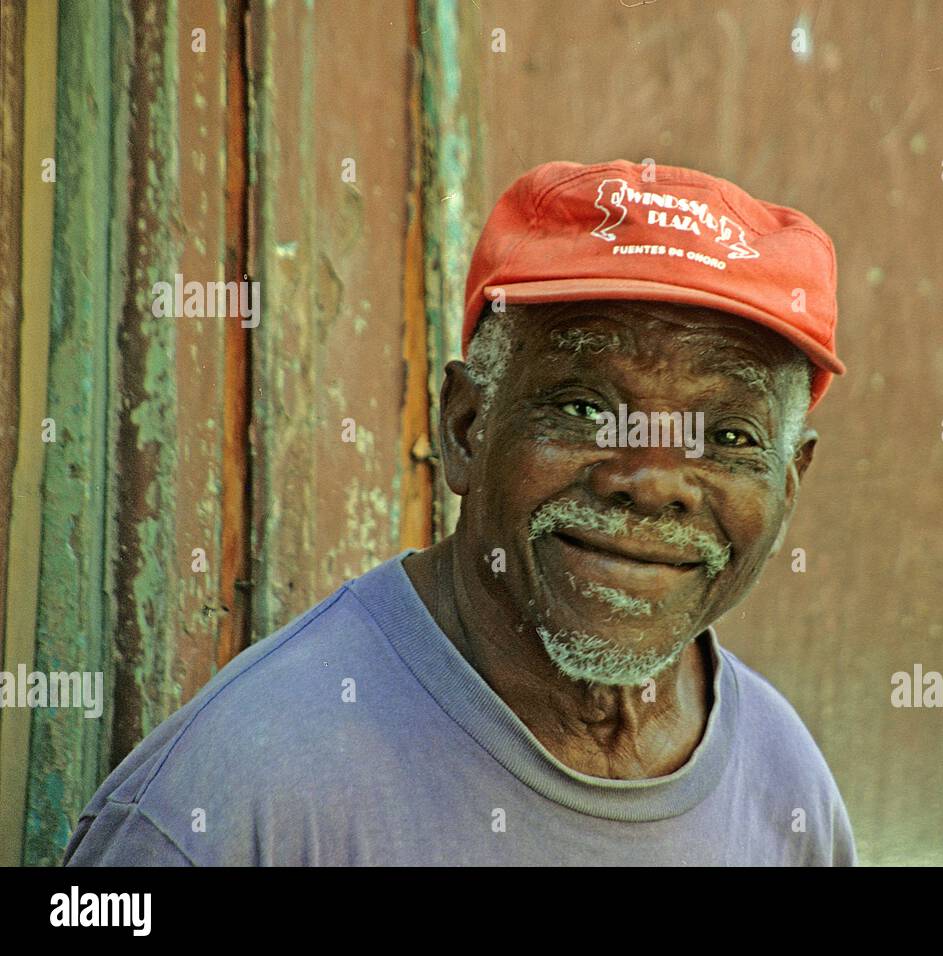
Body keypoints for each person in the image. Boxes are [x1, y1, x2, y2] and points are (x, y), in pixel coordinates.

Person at [64, 159, 855, 865]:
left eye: (728, 434)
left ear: (790, 482)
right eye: (582, 407)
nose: (651, 481)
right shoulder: (237, 801)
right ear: (466, 429)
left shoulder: (784, 784)